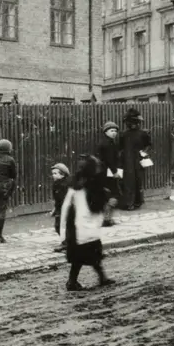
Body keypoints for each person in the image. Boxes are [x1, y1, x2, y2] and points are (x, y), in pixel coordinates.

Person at [61, 155, 115, 292]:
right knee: (89, 255)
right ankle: (75, 281)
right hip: (85, 226)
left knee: (81, 256)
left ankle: (81, 280)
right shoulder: (93, 185)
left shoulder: (76, 184)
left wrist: (63, 231)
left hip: (80, 226)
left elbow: (66, 206)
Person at [118, 108, 152, 211]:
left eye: (134, 122)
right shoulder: (123, 134)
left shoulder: (143, 134)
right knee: (128, 181)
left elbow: (149, 145)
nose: (132, 124)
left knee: (138, 180)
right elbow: (120, 148)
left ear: (138, 122)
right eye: (130, 122)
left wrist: (144, 153)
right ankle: (129, 203)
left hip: (138, 160)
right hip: (127, 161)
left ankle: (138, 201)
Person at [95, 121, 121, 226]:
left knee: (108, 194)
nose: (114, 133)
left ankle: (106, 218)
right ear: (105, 132)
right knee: (113, 194)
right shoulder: (107, 144)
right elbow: (109, 160)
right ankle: (106, 219)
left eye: (115, 131)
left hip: (104, 172)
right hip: (106, 172)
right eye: (111, 131)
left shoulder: (109, 142)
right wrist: (115, 172)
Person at [48, 162, 70, 252]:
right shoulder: (56, 184)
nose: (53, 175)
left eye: (56, 173)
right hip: (60, 208)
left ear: (62, 174)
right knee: (58, 226)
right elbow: (57, 199)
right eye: (53, 173)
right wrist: (55, 209)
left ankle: (66, 243)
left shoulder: (66, 184)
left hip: (67, 208)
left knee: (63, 226)